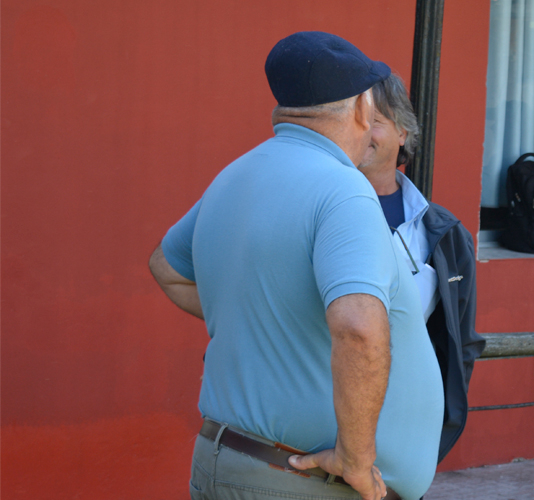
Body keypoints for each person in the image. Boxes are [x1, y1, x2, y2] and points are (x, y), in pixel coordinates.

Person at [148, 32, 443, 500]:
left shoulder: (235, 174)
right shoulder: (344, 189)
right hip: (301, 480)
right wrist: (357, 459)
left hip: (227, 459)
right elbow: (358, 329)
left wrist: (261, 319)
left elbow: (165, 266)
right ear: (364, 109)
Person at [357, 73, 485, 464]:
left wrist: (434, 436)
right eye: (352, 119)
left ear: (403, 132)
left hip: (403, 432)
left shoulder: (444, 233)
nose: (361, 131)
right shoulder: (313, 213)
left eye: (374, 120)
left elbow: (460, 342)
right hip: (320, 423)